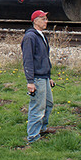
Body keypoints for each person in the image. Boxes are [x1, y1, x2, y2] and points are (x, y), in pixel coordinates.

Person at [21, 9, 55, 143]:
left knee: (48, 104)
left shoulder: (41, 36)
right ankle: (33, 137)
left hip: (44, 77)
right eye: (43, 19)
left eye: (46, 19)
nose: (46, 21)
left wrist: (49, 76)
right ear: (36, 21)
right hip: (37, 78)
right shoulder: (30, 37)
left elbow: (44, 58)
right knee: (37, 107)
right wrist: (30, 81)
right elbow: (28, 60)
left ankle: (42, 128)